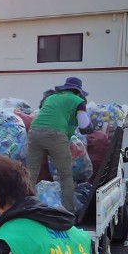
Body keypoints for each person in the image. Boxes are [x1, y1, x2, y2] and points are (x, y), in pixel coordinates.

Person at [26, 76, 93, 214]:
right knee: (66, 175)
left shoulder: (51, 98)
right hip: (55, 135)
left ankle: (28, 208)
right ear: (78, 92)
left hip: (34, 132)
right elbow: (84, 126)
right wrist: (92, 127)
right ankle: (68, 212)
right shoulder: (78, 101)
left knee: (31, 173)